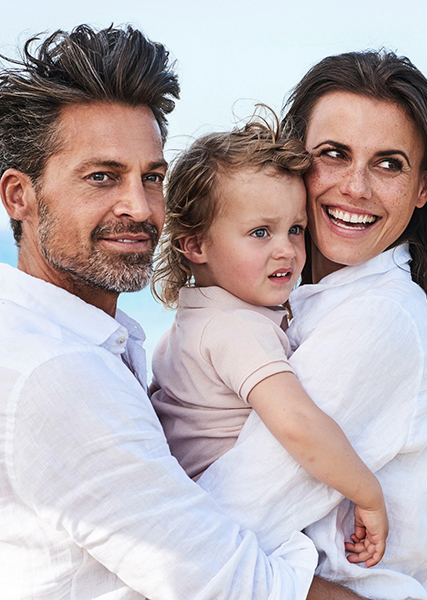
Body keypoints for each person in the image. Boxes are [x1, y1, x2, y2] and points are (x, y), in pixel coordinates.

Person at [0, 24, 325, 600]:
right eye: (102, 177)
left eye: (152, 177)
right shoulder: (56, 369)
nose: (140, 206)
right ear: (18, 196)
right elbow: (235, 587)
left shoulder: (89, 340)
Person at [195, 50, 427, 600]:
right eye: (334, 154)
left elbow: (229, 520)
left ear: (422, 187)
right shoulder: (298, 300)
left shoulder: (379, 317)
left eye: (389, 164)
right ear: (295, 159)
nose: (356, 187)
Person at [150, 115, 388, 569]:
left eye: (295, 229)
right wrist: (368, 493)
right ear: (195, 245)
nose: (287, 250)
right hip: (239, 533)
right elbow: (297, 423)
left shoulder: (186, 326)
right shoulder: (237, 328)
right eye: (260, 232)